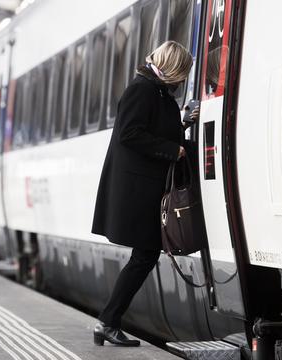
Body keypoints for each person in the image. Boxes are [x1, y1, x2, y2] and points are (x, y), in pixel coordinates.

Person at [91, 41, 197, 346]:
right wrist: (171, 149)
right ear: (173, 68)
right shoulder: (143, 89)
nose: (182, 80)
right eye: (182, 73)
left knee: (144, 256)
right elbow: (130, 133)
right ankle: (106, 322)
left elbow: (154, 129)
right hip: (136, 190)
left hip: (145, 187)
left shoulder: (157, 91)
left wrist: (183, 125)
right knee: (144, 256)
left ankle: (107, 322)